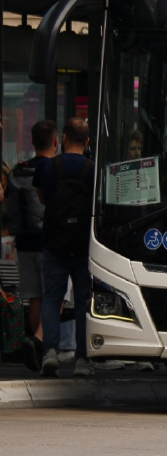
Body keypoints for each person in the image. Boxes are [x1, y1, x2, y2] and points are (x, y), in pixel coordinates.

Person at [33, 118, 93, 378]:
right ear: (88, 141)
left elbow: (43, 199)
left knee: (51, 299)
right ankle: (82, 359)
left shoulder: (48, 167)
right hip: (83, 247)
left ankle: (50, 353)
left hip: (53, 242)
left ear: (64, 138)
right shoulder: (92, 169)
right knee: (83, 303)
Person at [6, 120, 56, 358]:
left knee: (34, 297)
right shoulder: (55, 169)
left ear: (33, 142)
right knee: (54, 296)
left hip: (24, 243)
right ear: (56, 142)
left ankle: (37, 347)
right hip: (49, 243)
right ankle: (41, 342)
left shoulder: (18, 170)